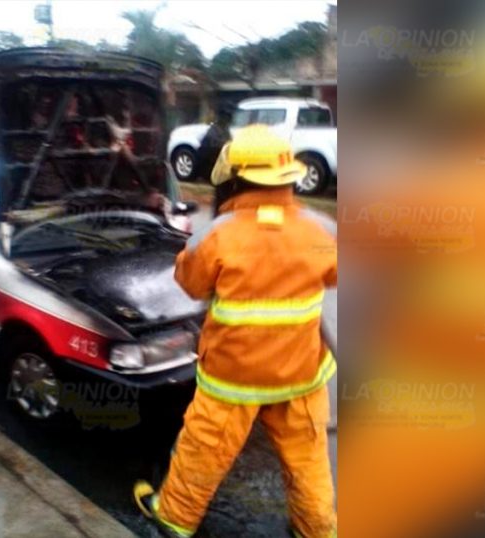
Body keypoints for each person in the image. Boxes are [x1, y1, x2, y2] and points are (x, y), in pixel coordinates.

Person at [133, 125, 338, 538]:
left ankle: (173, 518)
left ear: (235, 175)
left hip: (232, 379)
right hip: (300, 375)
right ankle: (315, 529)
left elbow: (190, 284)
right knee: (308, 461)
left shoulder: (216, 233)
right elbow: (334, 275)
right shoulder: (321, 228)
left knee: (203, 450)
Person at [193, 104, 233, 183]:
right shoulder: (214, 130)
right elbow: (215, 145)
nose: (227, 120)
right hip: (209, 162)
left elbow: (228, 141)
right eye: (226, 118)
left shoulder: (224, 129)